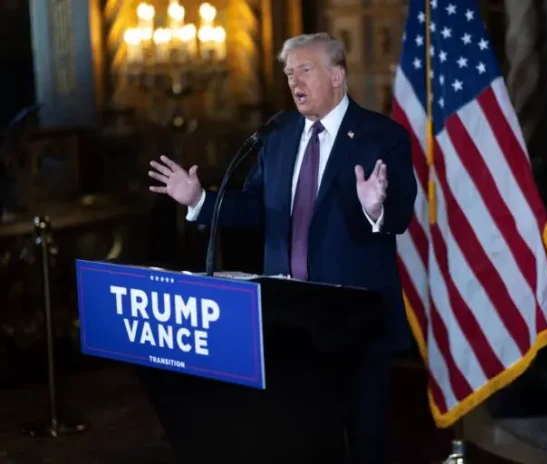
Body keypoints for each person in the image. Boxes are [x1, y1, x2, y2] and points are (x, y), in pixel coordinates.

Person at [148, 32, 417, 464]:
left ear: (336, 76)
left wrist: (374, 208)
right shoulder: (278, 134)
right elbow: (255, 208)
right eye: (289, 72)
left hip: (356, 323)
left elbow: (400, 216)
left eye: (304, 70)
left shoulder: (381, 135)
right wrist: (199, 199)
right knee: (300, 441)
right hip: (290, 323)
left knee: (366, 442)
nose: (294, 80)